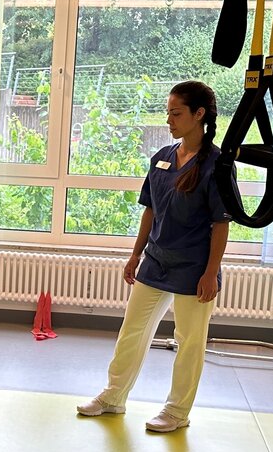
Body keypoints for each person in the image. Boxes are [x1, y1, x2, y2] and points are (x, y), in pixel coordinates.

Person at [76, 81, 230, 432]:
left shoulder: (217, 165)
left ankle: (177, 412)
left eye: (176, 113)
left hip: (195, 266)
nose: (169, 120)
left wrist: (211, 272)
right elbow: (150, 211)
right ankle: (113, 397)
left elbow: (221, 224)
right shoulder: (161, 156)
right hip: (156, 260)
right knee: (132, 330)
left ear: (199, 114)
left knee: (189, 342)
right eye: (168, 113)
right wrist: (135, 255)